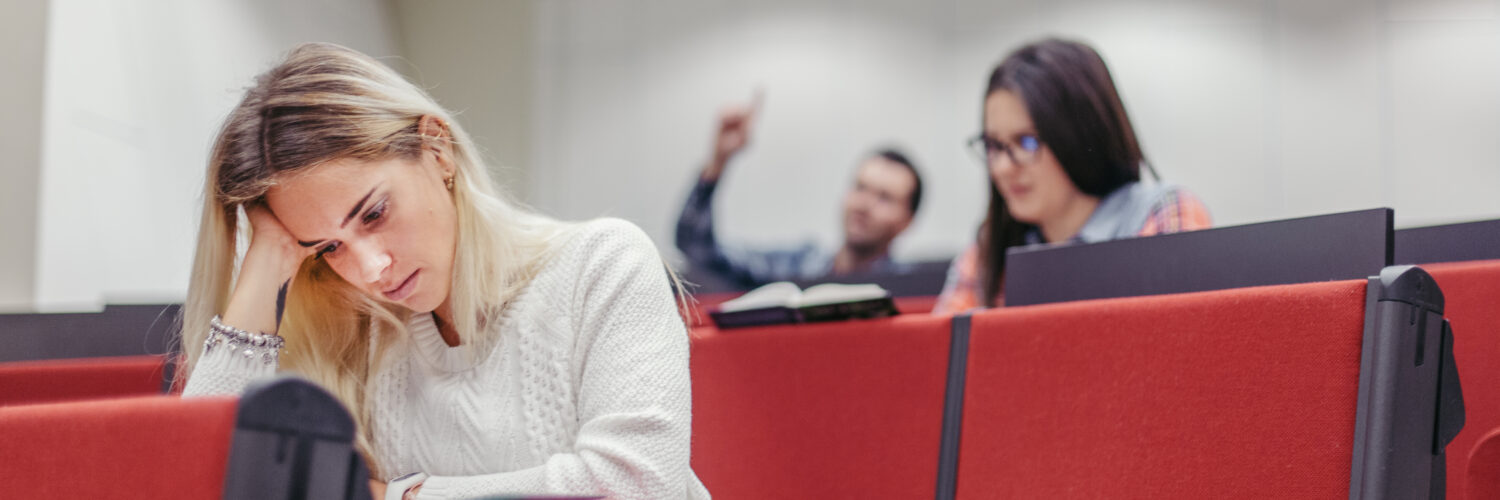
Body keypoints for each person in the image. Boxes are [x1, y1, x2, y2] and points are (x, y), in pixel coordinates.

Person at [175, 43, 710, 500]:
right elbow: (198, 478)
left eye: (375, 213)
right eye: (328, 247)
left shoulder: (602, 264)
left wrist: (398, 495)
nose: (371, 269)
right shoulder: (362, 328)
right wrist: (267, 261)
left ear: (437, 148)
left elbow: (637, 486)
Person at [934, 38, 1213, 313]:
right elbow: (944, 350)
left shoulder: (1163, 212)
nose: (1003, 168)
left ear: (1079, 136)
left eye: (1027, 142)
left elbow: (1177, 344)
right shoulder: (992, 241)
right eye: (994, 146)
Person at [675, 94, 924, 290]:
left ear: (907, 222)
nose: (863, 204)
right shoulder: (796, 267)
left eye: (884, 198)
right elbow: (697, 249)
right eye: (860, 188)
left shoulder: (912, 290)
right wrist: (718, 162)